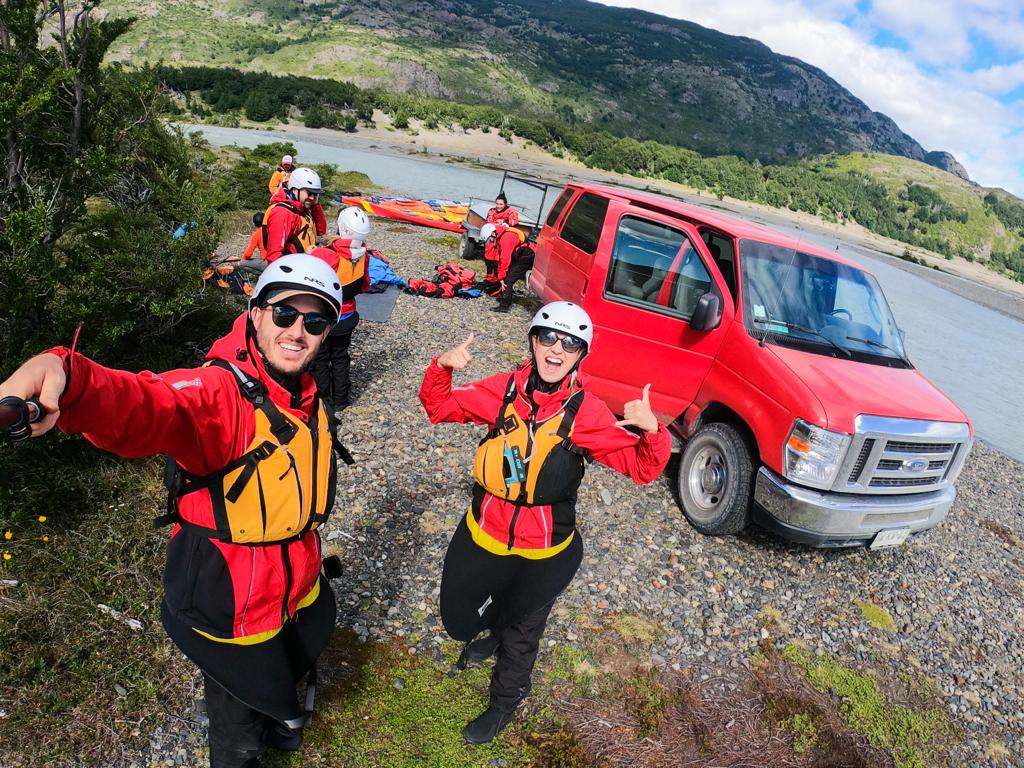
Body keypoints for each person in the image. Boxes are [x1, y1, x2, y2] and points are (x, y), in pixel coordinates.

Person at [0, 254, 347, 767]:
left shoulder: (304, 394)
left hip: (293, 576)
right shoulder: (218, 393)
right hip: (231, 592)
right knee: (237, 728)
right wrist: (69, 377)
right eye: (284, 314)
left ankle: (274, 716)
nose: (297, 332)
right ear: (255, 314)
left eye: (315, 322)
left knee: (286, 660)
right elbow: (148, 402)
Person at [419, 301, 671, 744]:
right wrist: (442, 367)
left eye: (571, 344)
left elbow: (642, 468)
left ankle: (505, 702)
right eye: (549, 337)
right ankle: (492, 632)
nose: (557, 349)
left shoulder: (587, 413)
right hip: (485, 534)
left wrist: (652, 431)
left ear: (581, 355)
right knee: (472, 608)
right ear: (533, 341)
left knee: (523, 633)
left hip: (543, 551)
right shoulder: (503, 391)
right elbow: (439, 407)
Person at [309, 206, 374, 413]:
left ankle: (324, 399)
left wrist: (311, 252)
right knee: (340, 356)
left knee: (320, 358)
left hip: (326, 317)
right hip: (348, 317)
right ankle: (341, 399)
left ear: (342, 227)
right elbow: (364, 286)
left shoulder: (326, 254)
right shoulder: (364, 255)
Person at [262, 167, 328, 263]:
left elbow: (321, 231)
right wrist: (305, 255)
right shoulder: (282, 212)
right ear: (294, 190)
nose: (312, 197)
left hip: (302, 263)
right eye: (309, 193)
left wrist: (315, 205)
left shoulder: (303, 207)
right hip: (292, 267)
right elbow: (274, 256)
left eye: (315, 194)